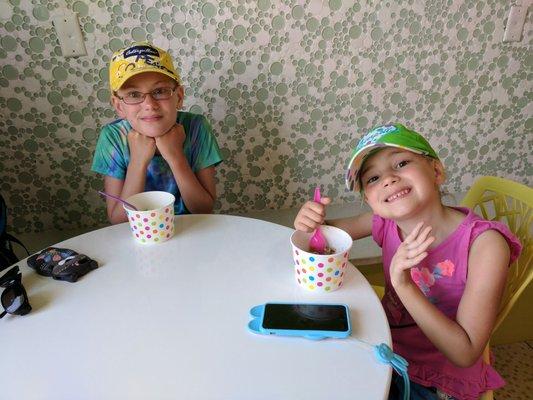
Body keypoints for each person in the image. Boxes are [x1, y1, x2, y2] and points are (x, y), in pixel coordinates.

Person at [294, 123, 521, 400]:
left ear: (436, 171)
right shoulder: (385, 221)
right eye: (373, 178)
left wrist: (404, 284)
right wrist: (309, 222)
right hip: (384, 340)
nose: (388, 178)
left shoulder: (485, 245)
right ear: (370, 200)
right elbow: (326, 235)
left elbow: (465, 353)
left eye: (401, 163)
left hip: (438, 372)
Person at [92, 42, 223, 224]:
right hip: (138, 237)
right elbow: (119, 221)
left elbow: (203, 209)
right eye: (134, 94)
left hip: (194, 230)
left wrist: (175, 156)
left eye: (160, 91)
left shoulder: (196, 127)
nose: (149, 104)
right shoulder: (113, 138)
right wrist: (138, 162)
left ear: (179, 96)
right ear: (118, 105)